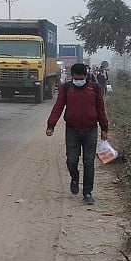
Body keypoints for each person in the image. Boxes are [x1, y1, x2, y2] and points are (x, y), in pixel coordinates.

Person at [45, 63, 109, 205]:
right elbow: (58, 107)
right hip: (72, 131)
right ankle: (75, 177)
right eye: (76, 78)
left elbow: (101, 109)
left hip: (90, 130)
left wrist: (104, 128)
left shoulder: (95, 88)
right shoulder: (66, 88)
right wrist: (51, 125)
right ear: (72, 76)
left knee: (88, 163)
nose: (79, 80)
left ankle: (87, 192)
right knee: (71, 160)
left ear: (86, 76)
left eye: (82, 78)